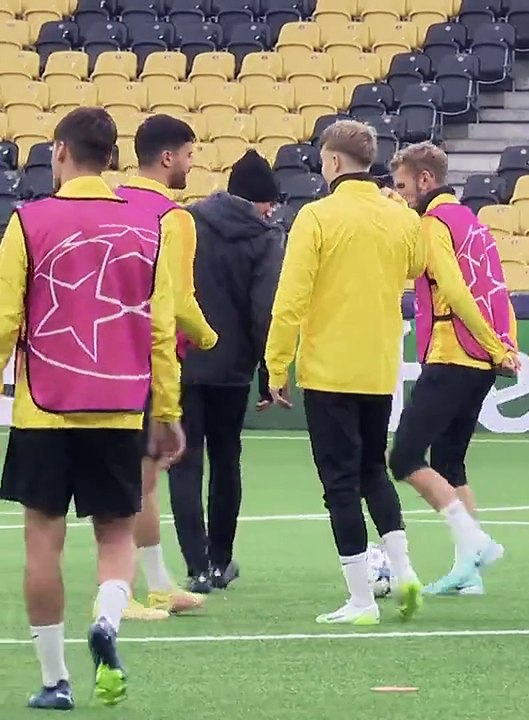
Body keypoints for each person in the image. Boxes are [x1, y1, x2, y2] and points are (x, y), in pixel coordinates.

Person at [0, 107, 186, 709]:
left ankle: (55, 680)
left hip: (44, 410)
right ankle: (107, 619)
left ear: (60, 151)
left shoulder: (28, 222)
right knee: (115, 538)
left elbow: (4, 321)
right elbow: (160, 331)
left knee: (42, 543)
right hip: (117, 407)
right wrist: (168, 409)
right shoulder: (148, 228)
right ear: (111, 159)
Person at [264, 120, 425, 625]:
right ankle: (403, 571)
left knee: (338, 482)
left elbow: (290, 299)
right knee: (373, 469)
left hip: (329, 368)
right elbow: (418, 267)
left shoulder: (316, 217)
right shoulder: (399, 217)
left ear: (332, 161)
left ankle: (360, 598)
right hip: (378, 366)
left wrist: (275, 363)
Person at [386, 141, 517, 596]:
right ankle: (469, 572)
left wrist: (491, 344)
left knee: (403, 457)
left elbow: (456, 291)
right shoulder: (474, 224)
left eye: (402, 186)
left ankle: (476, 542)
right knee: (449, 460)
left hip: (452, 352)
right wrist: (502, 346)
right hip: (478, 361)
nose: (399, 194)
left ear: (425, 180)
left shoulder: (433, 222)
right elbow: (497, 288)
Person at [115, 114, 218, 620]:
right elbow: (177, 299)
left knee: (134, 478)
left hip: (97, 355)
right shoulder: (173, 218)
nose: (192, 166)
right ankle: (126, 589)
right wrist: (207, 335)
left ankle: (154, 582)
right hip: (146, 361)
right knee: (140, 479)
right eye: (190, 155)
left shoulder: (107, 202)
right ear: (168, 157)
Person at [171, 150, 284, 593]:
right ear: (258, 200)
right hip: (232, 366)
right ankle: (220, 562)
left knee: (183, 464)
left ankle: (195, 566)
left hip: (183, 360)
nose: (272, 210)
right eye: (269, 202)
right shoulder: (265, 237)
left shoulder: (188, 220)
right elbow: (264, 310)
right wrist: (267, 369)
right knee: (225, 460)